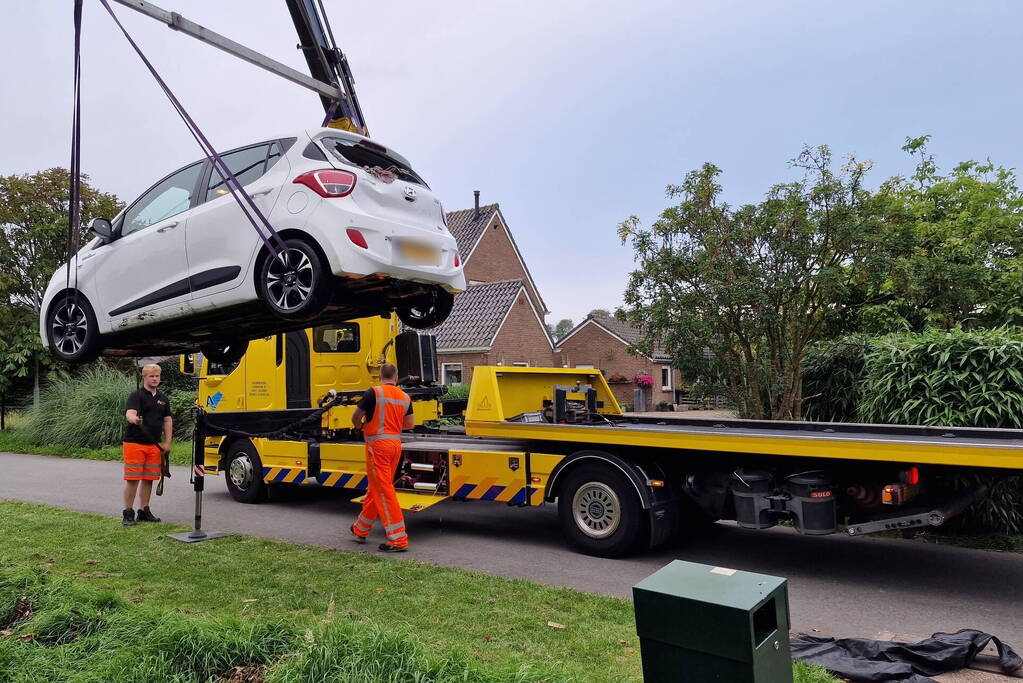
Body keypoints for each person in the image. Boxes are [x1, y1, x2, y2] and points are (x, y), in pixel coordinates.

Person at [349, 363, 414, 552]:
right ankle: (361, 529)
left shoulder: (374, 393)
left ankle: (398, 539)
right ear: (396, 377)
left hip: (377, 446)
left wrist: (360, 426)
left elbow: (355, 417)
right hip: (395, 445)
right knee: (377, 488)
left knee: (384, 490)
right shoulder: (405, 397)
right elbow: (409, 424)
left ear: (379, 377)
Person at [122, 363, 172, 526]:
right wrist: (134, 419)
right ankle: (128, 513)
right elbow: (129, 413)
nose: (155, 379)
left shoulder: (163, 399)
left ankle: (144, 510)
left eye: (157, 376)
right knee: (133, 479)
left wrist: (167, 443)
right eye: (151, 376)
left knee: (149, 478)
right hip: (134, 443)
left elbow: (167, 420)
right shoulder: (136, 396)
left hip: (154, 445)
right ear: (144, 377)